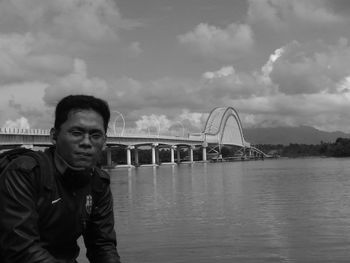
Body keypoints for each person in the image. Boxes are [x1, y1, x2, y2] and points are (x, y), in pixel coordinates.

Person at [0, 95, 121, 263]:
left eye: (95, 135)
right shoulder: (25, 173)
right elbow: (21, 249)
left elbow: (102, 245)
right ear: (54, 136)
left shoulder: (98, 183)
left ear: (105, 141)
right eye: (77, 133)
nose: (86, 142)